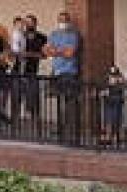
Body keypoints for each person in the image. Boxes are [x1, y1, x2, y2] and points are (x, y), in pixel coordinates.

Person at [46, 10, 80, 139]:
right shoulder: (53, 34)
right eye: (60, 20)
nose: (62, 23)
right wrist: (60, 51)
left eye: (65, 20)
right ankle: (61, 130)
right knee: (59, 101)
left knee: (70, 101)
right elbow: (47, 50)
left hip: (69, 72)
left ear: (69, 21)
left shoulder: (73, 35)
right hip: (57, 71)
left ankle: (72, 131)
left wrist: (56, 51)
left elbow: (70, 53)